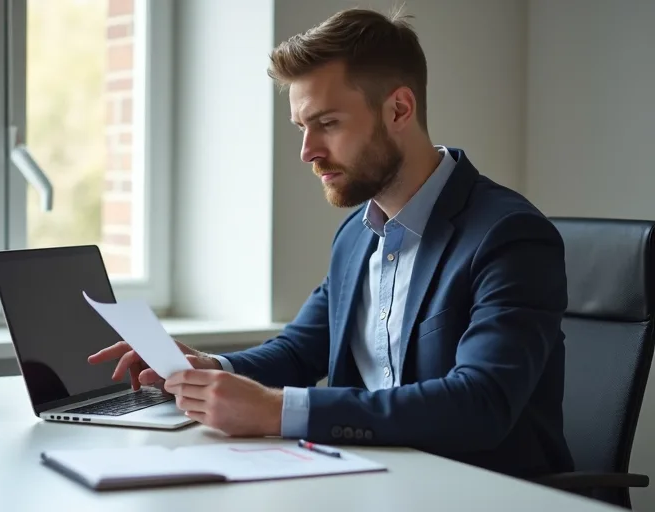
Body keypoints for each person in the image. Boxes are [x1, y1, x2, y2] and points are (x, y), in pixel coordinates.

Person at [88, 7, 574, 478]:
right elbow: (300, 351)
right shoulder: (358, 235)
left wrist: (278, 411)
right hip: (373, 480)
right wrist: (208, 369)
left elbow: (480, 403)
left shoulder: (508, 235)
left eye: (328, 123)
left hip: (479, 492)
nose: (307, 152)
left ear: (399, 109)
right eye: (302, 127)